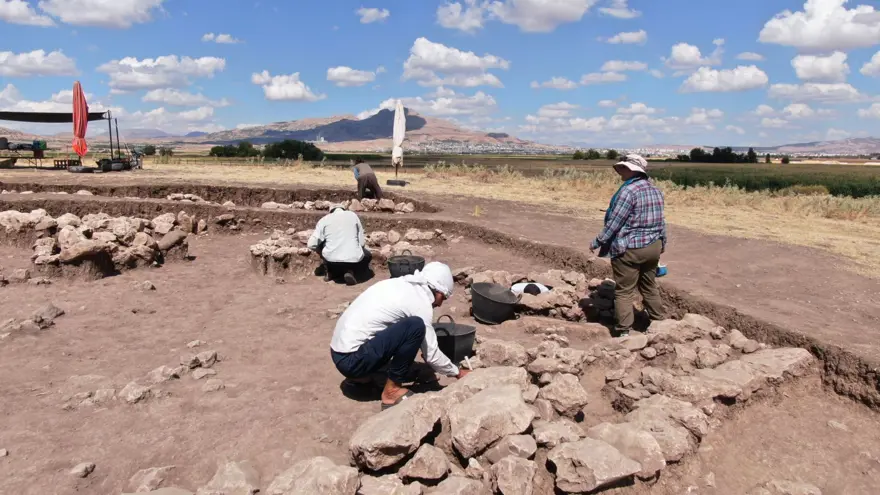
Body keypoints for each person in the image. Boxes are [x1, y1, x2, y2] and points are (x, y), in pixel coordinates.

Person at [330, 262, 470, 409]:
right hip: (351, 361)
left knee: (403, 328)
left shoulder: (398, 284)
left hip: (339, 353)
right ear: (440, 293)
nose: (440, 305)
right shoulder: (420, 303)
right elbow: (432, 355)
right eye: (444, 299)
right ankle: (391, 391)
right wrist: (458, 373)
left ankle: (362, 377)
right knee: (415, 326)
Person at [589, 154, 666, 336]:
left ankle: (624, 331)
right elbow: (661, 221)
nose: (619, 172)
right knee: (649, 285)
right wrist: (663, 243)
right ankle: (659, 323)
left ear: (632, 170)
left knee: (624, 291)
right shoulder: (655, 191)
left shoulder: (628, 192)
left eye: (622, 168)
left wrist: (598, 241)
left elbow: (615, 222)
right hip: (653, 246)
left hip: (630, 248)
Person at [307, 203, 372, 286]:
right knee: (367, 255)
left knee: (320, 243)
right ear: (344, 209)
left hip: (331, 260)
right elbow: (362, 243)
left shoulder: (324, 220)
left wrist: (321, 250)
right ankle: (350, 271)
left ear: (331, 212)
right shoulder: (353, 216)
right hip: (353, 260)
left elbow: (311, 244)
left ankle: (330, 271)